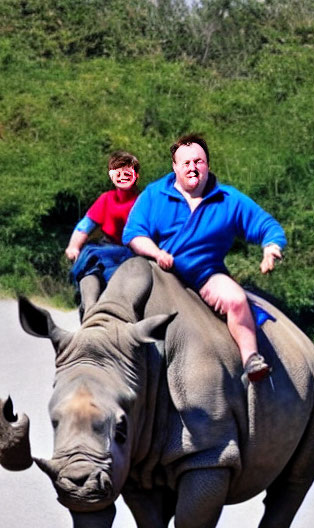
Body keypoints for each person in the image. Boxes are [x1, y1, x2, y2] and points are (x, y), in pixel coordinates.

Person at [122, 133, 285, 384]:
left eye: (198, 161)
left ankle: (251, 358)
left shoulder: (228, 200)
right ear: (174, 167)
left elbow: (266, 225)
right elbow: (134, 234)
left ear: (207, 164)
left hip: (206, 275)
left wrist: (271, 247)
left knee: (237, 299)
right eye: (186, 163)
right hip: (159, 272)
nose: (192, 167)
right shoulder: (154, 195)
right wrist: (156, 253)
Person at [66, 150, 141, 311]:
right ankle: (89, 309)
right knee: (90, 265)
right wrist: (73, 246)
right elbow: (85, 226)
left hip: (134, 252)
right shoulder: (106, 199)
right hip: (106, 248)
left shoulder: (143, 201)